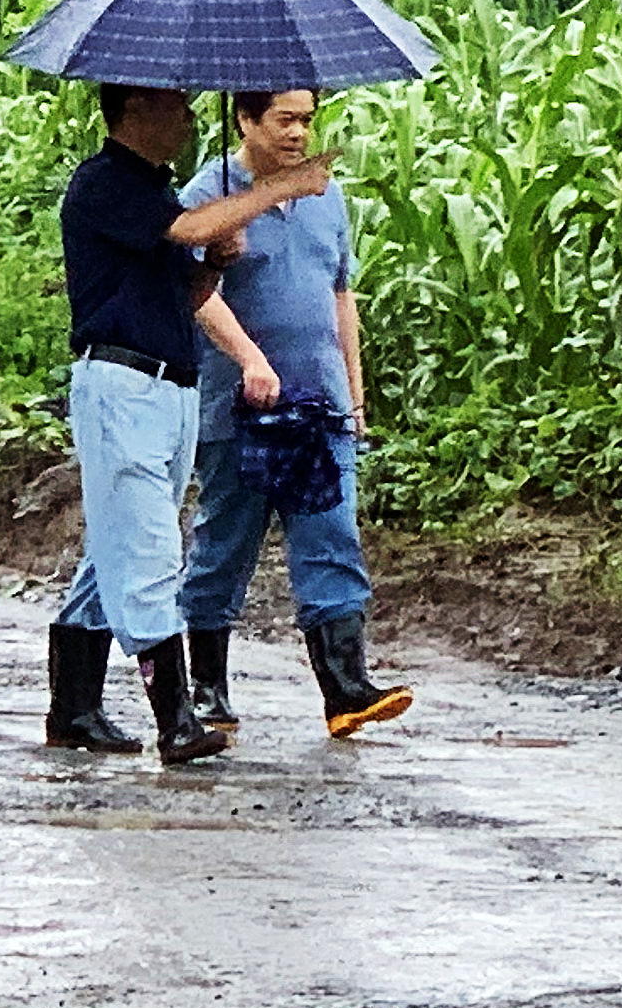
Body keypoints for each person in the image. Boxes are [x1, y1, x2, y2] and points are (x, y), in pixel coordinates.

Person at [44, 83, 327, 766]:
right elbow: (189, 228)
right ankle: (175, 716)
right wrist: (277, 188)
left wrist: (214, 261)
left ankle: (74, 705)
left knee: (118, 545)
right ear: (136, 110)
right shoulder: (105, 183)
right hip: (122, 381)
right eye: (178, 108)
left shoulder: (153, 188)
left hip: (170, 387)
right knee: (146, 551)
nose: (189, 120)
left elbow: (188, 278)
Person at [180, 85, 413, 741]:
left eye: (307, 121)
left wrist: (355, 393)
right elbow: (197, 296)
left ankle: (346, 689)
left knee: (331, 536)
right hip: (241, 408)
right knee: (225, 544)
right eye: (284, 120)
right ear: (245, 119)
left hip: (320, 402)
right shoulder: (209, 196)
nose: (298, 134)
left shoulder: (324, 194)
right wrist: (252, 358)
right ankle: (206, 688)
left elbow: (341, 293)